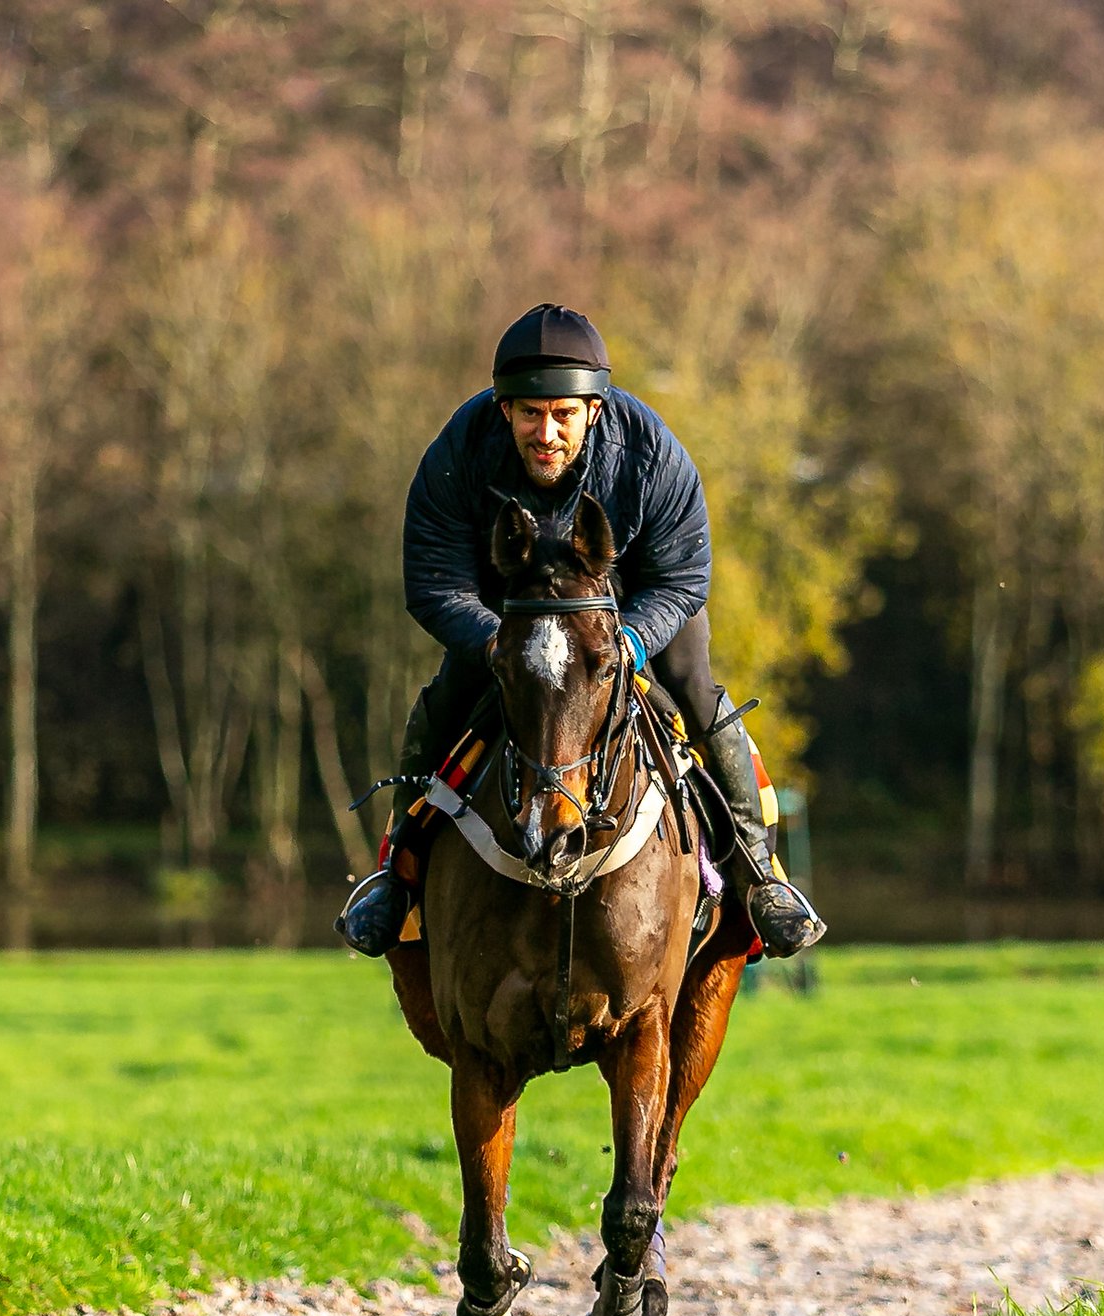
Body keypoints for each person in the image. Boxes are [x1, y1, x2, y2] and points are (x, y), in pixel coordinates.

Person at [335, 303, 825, 959]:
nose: (546, 432)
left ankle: (762, 877)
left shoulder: (653, 454)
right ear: (503, 408)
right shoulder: (457, 451)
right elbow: (433, 584)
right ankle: (394, 879)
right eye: (530, 414)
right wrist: (499, 645)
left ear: (593, 411)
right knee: (446, 697)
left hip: (633, 608)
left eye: (563, 414)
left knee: (697, 689)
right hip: (508, 620)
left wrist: (628, 642)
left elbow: (682, 579)